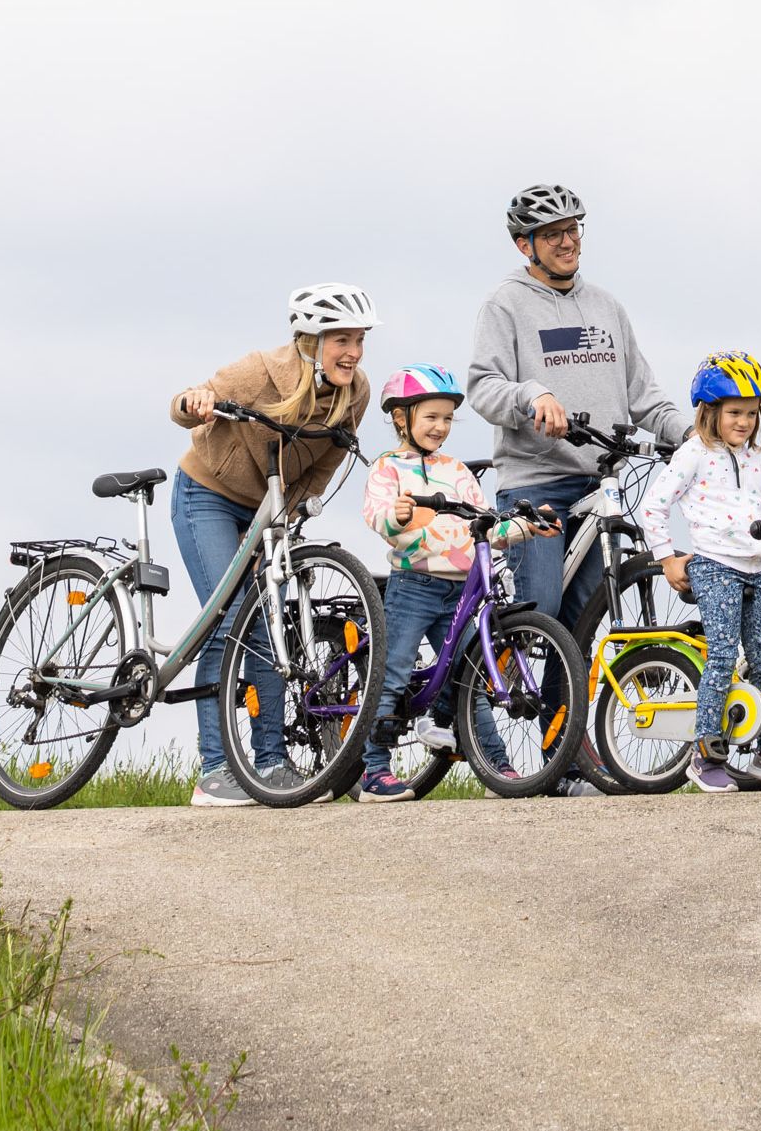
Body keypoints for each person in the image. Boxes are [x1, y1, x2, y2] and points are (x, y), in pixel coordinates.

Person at [169, 283, 380, 807]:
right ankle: (215, 768)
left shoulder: (355, 392)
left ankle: (270, 764)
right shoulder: (259, 371)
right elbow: (182, 405)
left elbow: (327, 464)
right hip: (209, 496)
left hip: (269, 510)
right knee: (227, 620)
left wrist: (283, 523)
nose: (352, 352)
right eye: (341, 340)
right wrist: (195, 403)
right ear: (311, 340)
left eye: (359, 339)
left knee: (268, 630)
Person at [463, 184, 691, 644]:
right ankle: (467, 693)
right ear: (524, 244)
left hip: (599, 487)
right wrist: (532, 396)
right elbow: (482, 388)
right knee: (540, 616)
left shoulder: (607, 307)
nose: (568, 242)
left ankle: (560, 718)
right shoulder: (504, 304)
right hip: (536, 484)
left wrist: (692, 434)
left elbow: (643, 395)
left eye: (573, 229)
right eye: (552, 234)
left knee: (582, 626)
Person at [357, 363, 555, 802]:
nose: (440, 427)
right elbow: (376, 514)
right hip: (415, 585)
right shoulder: (388, 468)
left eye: (447, 418)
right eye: (430, 417)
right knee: (392, 674)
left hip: (461, 591)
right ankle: (374, 770)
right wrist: (397, 515)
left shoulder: (458, 470)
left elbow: (487, 526)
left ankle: (496, 766)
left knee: (473, 679)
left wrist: (526, 526)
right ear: (400, 417)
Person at [636, 353, 761, 792]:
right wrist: (667, 558)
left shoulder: (755, 461)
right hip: (715, 567)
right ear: (709, 412)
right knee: (723, 657)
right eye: (734, 412)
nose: (744, 422)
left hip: (755, 570)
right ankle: (706, 753)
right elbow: (652, 505)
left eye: (751, 413)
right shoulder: (694, 453)